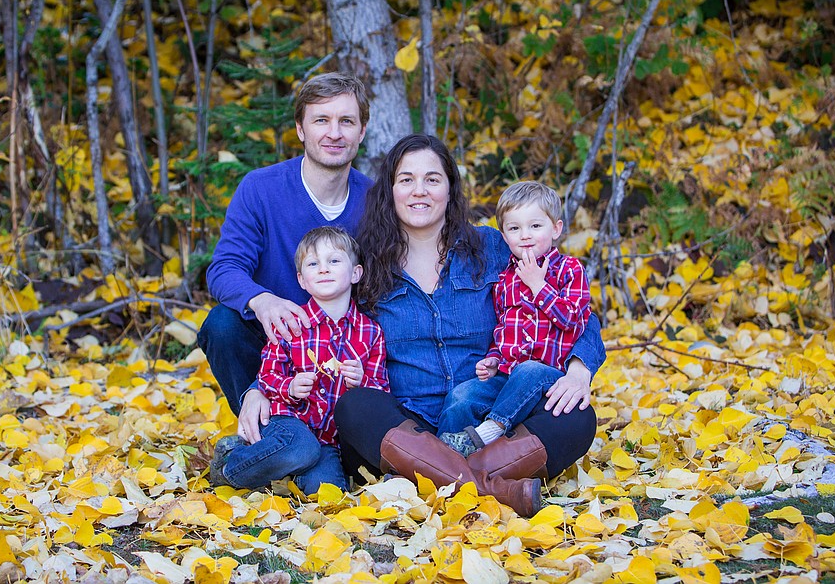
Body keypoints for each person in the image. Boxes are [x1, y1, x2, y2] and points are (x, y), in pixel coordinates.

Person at [334, 134, 606, 518]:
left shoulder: (493, 246)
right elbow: (328, 323)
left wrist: (579, 371)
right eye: (406, 179)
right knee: (355, 407)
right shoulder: (367, 262)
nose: (419, 191)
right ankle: (495, 488)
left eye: (432, 179)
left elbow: (580, 314)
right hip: (409, 421)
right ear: (390, 190)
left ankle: (434, 480)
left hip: (493, 417)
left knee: (576, 416)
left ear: (450, 188)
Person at [200, 73, 372, 428]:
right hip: (275, 344)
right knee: (221, 325)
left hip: (345, 347)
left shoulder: (374, 200)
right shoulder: (261, 189)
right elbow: (224, 268)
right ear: (300, 129)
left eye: (346, 121)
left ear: (362, 131)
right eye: (321, 120)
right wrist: (263, 300)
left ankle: (342, 435)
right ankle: (257, 410)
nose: (334, 133)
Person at [209, 227, 389, 493]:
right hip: (289, 424)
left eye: (334, 261)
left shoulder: (370, 333)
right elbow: (266, 377)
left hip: (331, 441)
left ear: (355, 273)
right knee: (301, 447)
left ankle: (279, 468)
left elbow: (382, 392)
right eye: (313, 264)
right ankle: (230, 468)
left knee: (326, 491)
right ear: (302, 280)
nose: (323, 269)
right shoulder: (291, 325)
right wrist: (290, 388)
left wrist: (361, 381)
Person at [437, 181, 590, 456]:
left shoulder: (570, 270)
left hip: (548, 377)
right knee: (461, 397)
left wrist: (539, 287)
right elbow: (503, 329)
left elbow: (574, 320)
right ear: (505, 237)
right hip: (507, 378)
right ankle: (438, 458)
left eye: (535, 226)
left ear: (556, 229)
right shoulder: (505, 279)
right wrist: (495, 359)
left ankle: (490, 430)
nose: (525, 235)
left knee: (529, 370)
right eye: (514, 228)